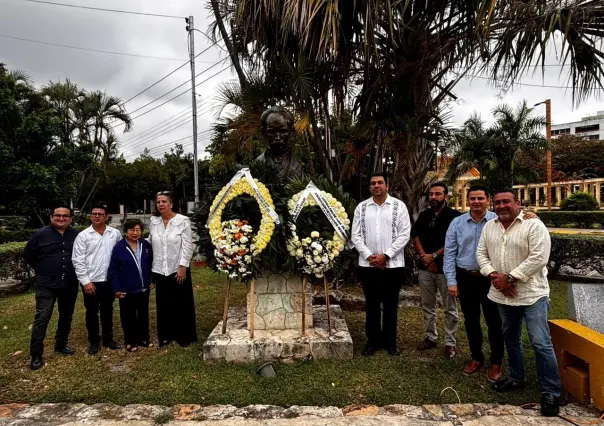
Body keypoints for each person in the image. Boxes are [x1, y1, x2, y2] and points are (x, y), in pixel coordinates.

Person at [476, 189, 561, 417]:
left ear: (518, 203)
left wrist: (510, 278)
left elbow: (539, 257)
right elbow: (481, 254)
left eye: (506, 202)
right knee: (510, 338)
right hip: (503, 295)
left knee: (540, 342)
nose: (501, 206)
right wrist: (495, 276)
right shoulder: (489, 227)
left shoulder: (534, 225)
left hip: (532, 295)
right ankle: (516, 378)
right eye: (497, 203)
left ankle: (550, 391)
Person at [443, 186, 504, 381]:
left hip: (491, 279)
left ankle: (496, 361)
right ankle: (476, 357)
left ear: (488, 200)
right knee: (471, 320)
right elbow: (450, 253)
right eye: (472, 198)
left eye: (480, 198)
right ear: (468, 200)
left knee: (494, 321)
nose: (476, 202)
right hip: (466, 278)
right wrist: (452, 281)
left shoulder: (498, 220)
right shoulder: (457, 223)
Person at [351, 172, 411, 356]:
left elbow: (404, 234)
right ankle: (373, 341)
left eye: (380, 182)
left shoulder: (399, 207)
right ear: (370, 187)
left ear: (387, 186)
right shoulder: (361, 208)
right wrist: (370, 257)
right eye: (373, 183)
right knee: (372, 304)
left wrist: (386, 256)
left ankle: (391, 342)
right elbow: (356, 235)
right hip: (368, 266)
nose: (376, 186)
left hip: (393, 266)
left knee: (391, 304)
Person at [23, 206, 80, 370]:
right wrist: (43, 269)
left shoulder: (76, 235)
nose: (61, 218)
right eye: (57, 215)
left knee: (66, 315)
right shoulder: (41, 234)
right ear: (51, 217)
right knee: (42, 318)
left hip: (69, 283)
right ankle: (36, 355)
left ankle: (61, 344)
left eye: (65, 216)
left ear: (70, 218)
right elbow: (28, 254)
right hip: (46, 284)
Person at [412, 182, 461, 358]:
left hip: (446, 270)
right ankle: (430, 337)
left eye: (438, 194)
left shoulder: (455, 217)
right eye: (431, 194)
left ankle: (450, 342)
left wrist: (433, 257)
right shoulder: (424, 215)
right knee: (428, 305)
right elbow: (415, 236)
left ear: (445, 197)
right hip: (425, 269)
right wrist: (425, 257)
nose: (433, 197)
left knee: (450, 307)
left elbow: (453, 242)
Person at [72, 205, 122, 354]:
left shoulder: (115, 234)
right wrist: (85, 281)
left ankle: (108, 339)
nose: (97, 216)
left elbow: (119, 256)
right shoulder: (83, 236)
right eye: (94, 214)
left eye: (100, 214)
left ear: (106, 216)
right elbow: (78, 260)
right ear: (90, 216)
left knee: (108, 310)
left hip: (108, 280)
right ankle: (93, 341)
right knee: (91, 312)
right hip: (91, 281)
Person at [149, 191, 197, 347]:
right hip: (160, 269)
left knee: (182, 303)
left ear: (171, 204)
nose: (161, 204)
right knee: (163, 304)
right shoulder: (154, 221)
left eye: (164, 201)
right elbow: (150, 241)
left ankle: (184, 336)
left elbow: (188, 245)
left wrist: (183, 266)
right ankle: (166, 336)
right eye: (158, 202)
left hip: (178, 269)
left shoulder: (182, 221)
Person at [108, 219, 153, 352]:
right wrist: (116, 288)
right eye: (131, 230)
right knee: (128, 316)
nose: (135, 233)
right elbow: (113, 270)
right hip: (126, 289)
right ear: (125, 232)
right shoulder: (119, 247)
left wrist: (152, 279)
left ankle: (144, 337)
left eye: (138, 230)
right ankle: (130, 341)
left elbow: (151, 263)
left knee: (143, 314)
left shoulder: (145, 245)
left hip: (144, 288)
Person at [256, 106, 303, 179]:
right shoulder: (258, 163)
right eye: (272, 132)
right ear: (264, 133)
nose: (277, 137)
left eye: (283, 131)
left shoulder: (302, 164)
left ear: (291, 132)